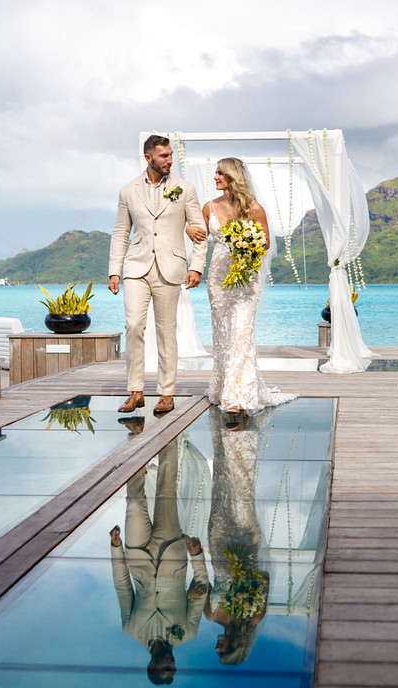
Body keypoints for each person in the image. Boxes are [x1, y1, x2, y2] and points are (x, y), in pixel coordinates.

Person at [109, 134, 207, 415]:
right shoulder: (127, 191)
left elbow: (199, 232)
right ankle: (136, 391)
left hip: (171, 268)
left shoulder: (184, 189)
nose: (169, 160)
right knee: (133, 326)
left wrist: (196, 266)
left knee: (166, 332)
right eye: (164, 156)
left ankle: (166, 392)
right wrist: (114, 271)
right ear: (148, 157)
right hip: (136, 268)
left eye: (171, 155)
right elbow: (120, 233)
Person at [203, 157, 295, 422]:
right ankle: (223, 387)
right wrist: (189, 229)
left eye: (220, 173)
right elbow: (199, 236)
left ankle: (238, 396)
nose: (215, 177)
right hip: (218, 278)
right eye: (216, 173)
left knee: (241, 331)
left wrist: (246, 244)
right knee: (223, 332)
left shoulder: (255, 209)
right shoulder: (209, 207)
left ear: (233, 176)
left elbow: (265, 242)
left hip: (246, 280)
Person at [110, 438, 209, 684]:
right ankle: (169, 436)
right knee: (166, 490)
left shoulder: (131, 630)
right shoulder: (188, 632)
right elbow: (202, 588)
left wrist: (116, 548)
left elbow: (123, 587)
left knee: (134, 500)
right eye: (174, 669)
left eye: (168, 668)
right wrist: (197, 556)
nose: (174, 665)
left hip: (138, 555)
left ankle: (136, 438)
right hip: (172, 555)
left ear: (153, 666)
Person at [204, 408, 271, 665]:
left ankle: (225, 434)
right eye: (223, 651)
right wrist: (244, 583)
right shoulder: (255, 617)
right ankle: (244, 432)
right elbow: (264, 578)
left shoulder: (212, 615)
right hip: (247, 548)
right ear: (236, 646)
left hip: (219, 546)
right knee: (243, 494)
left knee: (220, 489)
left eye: (217, 652)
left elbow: (199, 585)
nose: (217, 648)